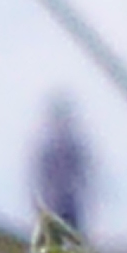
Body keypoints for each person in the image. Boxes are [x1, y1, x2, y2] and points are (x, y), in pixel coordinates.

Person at [32, 95, 93, 234]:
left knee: (73, 234)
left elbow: (84, 176)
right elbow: (41, 177)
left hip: (70, 202)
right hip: (53, 203)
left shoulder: (72, 146)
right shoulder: (49, 148)